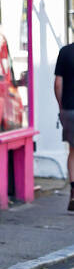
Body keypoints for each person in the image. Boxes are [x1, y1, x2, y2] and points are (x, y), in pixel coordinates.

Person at [52, 42, 74, 212]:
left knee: (72, 151)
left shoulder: (65, 52)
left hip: (69, 109)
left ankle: (73, 192)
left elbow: (58, 84)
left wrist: (61, 107)